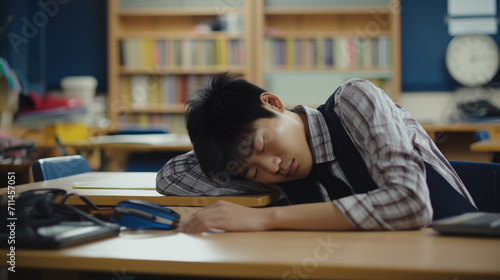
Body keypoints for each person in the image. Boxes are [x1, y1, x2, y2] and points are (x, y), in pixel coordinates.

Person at [156, 72, 477, 234]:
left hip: (454, 257)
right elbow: (172, 175)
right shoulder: (273, 171)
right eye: (254, 173)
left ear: (272, 103)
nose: (274, 167)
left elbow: (411, 203)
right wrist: (225, 151)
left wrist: (265, 218)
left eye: (263, 145)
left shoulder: (354, 101)